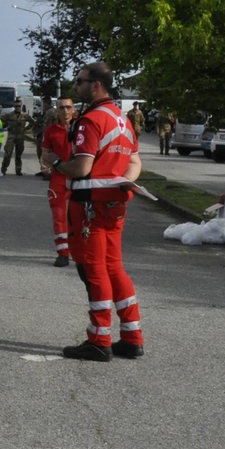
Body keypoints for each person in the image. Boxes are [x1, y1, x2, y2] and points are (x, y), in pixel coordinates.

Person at [55, 61, 144, 362]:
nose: (76, 86)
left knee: (94, 269)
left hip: (89, 203)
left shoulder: (91, 120)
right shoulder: (122, 119)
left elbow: (82, 167)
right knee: (114, 266)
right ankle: (132, 337)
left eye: (79, 81)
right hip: (115, 203)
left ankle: (99, 339)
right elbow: (135, 162)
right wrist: (124, 182)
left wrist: (56, 166)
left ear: (95, 85)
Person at [38, 97, 78, 267]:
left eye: (68, 107)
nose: (65, 111)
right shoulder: (50, 131)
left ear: (74, 109)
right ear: (56, 111)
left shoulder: (83, 128)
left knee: (80, 218)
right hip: (58, 178)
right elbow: (45, 154)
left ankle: (79, 252)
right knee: (59, 217)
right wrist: (46, 166)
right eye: (61, 108)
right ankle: (63, 253)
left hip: (79, 177)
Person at [1, 104, 29, 176]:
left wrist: (26, 129)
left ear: (21, 106)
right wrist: (5, 126)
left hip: (20, 137)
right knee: (8, 154)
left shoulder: (25, 115)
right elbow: (1, 120)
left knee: (18, 155)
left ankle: (18, 170)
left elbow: (32, 122)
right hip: (11, 137)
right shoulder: (9, 115)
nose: (17, 107)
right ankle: (3, 169)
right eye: (16, 106)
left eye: (19, 106)